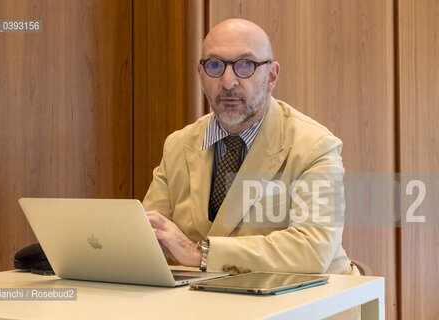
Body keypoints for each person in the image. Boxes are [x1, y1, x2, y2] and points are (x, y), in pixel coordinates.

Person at [143, 19, 358, 278]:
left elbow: (312, 249)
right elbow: (148, 236)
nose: (228, 81)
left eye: (246, 65)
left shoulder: (315, 146)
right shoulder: (178, 145)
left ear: (272, 76)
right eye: (215, 65)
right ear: (201, 76)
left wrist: (201, 254)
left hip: (312, 305)